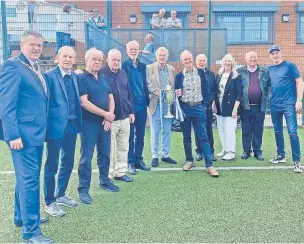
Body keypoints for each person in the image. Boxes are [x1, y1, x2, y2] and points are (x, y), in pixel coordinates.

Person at [0, 30, 53, 243]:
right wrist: (12, 134)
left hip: (35, 135)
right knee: (30, 181)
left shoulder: (32, 66)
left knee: (27, 179)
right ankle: (31, 232)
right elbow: (6, 104)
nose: (37, 48)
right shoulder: (12, 66)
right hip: (22, 136)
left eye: (40, 45)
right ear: (22, 45)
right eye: (33, 44)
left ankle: (21, 217)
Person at [43, 46, 82, 217]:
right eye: (64, 56)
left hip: (72, 126)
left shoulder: (74, 76)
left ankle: (61, 194)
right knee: (52, 165)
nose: (68, 59)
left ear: (74, 59)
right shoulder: (49, 76)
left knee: (68, 162)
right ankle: (49, 202)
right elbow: (45, 103)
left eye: (71, 57)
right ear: (57, 57)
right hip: (55, 127)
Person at [77, 48, 119, 204]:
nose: (97, 62)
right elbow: (84, 102)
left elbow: (111, 97)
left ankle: (104, 180)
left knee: (105, 154)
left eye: (99, 60)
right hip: (89, 125)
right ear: (87, 59)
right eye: (94, 59)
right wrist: (105, 114)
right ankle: (83, 189)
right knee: (86, 157)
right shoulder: (81, 78)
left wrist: (109, 116)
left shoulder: (103, 77)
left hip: (104, 124)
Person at [175, 50, 219, 177]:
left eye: (189, 59)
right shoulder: (179, 76)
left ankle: (209, 165)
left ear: (192, 59)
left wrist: (205, 105)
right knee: (186, 137)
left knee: (203, 137)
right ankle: (189, 160)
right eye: (185, 60)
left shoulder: (200, 73)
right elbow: (177, 93)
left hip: (199, 108)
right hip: (185, 109)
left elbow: (206, 89)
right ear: (182, 62)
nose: (187, 61)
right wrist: (178, 95)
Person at [100, 49, 134, 183]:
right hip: (110, 119)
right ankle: (108, 174)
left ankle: (120, 172)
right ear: (107, 59)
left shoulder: (123, 73)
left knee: (123, 146)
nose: (116, 62)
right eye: (113, 59)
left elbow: (129, 93)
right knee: (109, 149)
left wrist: (131, 112)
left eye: (118, 60)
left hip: (125, 117)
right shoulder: (101, 74)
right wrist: (105, 116)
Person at [268, 45, 303, 173]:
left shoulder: (290, 66)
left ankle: (297, 162)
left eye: (277, 52)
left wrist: (299, 100)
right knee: (277, 131)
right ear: (270, 56)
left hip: (289, 104)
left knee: (292, 132)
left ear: (280, 53)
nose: (275, 55)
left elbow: (300, 82)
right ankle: (281, 155)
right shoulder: (269, 69)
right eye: (272, 53)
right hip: (274, 105)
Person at [122, 40, 151, 175]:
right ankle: (130, 162)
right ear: (127, 50)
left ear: (139, 50)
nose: (133, 51)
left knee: (141, 135)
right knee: (130, 136)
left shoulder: (143, 66)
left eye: (135, 49)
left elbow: (144, 85)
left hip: (141, 105)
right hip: (129, 107)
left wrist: (147, 102)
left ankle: (139, 160)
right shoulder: (123, 66)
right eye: (131, 49)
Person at [146, 47, 177, 167]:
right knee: (155, 131)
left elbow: (173, 86)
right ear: (156, 56)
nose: (162, 57)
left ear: (167, 57)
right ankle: (155, 155)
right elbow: (145, 85)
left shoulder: (172, 69)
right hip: (155, 104)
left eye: (164, 55)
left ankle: (165, 155)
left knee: (167, 130)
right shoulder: (149, 68)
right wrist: (153, 91)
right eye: (160, 55)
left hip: (167, 105)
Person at [237, 51, 270, 161]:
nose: (253, 59)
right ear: (246, 59)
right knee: (246, 130)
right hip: (245, 107)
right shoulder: (240, 72)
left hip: (259, 107)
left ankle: (257, 152)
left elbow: (269, 86)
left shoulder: (264, 71)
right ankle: (246, 151)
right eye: (250, 58)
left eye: (254, 57)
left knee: (258, 130)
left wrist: (267, 97)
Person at [213, 54, 242, 161]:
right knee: (221, 129)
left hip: (231, 107)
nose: (227, 63)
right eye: (225, 61)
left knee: (229, 129)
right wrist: (214, 104)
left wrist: (235, 109)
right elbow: (216, 91)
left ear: (232, 63)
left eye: (229, 61)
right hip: (220, 107)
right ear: (222, 62)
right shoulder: (220, 74)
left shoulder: (236, 76)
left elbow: (239, 94)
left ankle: (231, 152)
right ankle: (225, 149)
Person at [195, 54, 217, 162]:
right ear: (196, 62)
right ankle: (199, 151)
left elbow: (214, 91)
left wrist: (209, 101)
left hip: (207, 107)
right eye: (200, 60)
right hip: (196, 107)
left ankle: (211, 152)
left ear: (206, 62)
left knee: (209, 130)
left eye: (203, 60)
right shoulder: (192, 74)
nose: (201, 62)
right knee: (198, 130)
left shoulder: (211, 74)